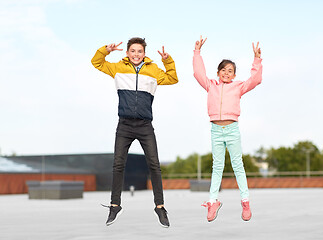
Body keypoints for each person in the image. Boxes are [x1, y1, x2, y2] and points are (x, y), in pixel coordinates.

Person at [91, 37, 178, 228]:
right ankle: (115, 205)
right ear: (127, 53)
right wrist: (106, 50)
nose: (136, 54)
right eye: (133, 51)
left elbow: (173, 78)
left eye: (140, 51)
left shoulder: (153, 71)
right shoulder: (117, 68)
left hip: (145, 125)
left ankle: (160, 206)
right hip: (124, 125)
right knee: (118, 165)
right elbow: (96, 62)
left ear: (144, 54)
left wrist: (167, 61)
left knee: (155, 165)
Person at [193, 36, 262, 222]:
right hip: (216, 130)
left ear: (234, 75)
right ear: (218, 72)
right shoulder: (211, 86)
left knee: (238, 166)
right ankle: (212, 201)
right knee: (217, 167)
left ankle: (245, 201)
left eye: (230, 71)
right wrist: (197, 52)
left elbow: (255, 80)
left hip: (231, 130)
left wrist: (257, 59)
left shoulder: (238, 87)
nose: (226, 73)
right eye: (223, 70)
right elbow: (199, 74)